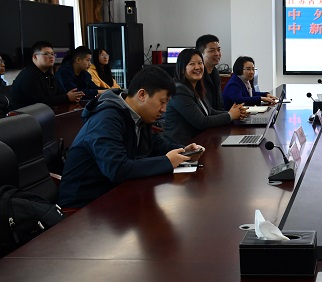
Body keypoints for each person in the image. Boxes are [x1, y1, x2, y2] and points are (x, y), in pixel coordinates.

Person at [58, 66, 200, 209]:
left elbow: (155, 144)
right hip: (83, 206)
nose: (164, 109)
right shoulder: (107, 119)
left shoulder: (138, 115)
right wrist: (167, 162)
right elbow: (117, 169)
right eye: (162, 102)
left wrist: (184, 151)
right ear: (142, 95)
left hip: (113, 194)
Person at [163, 48, 248, 145]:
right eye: (192, 64)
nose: (197, 67)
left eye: (200, 63)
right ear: (182, 69)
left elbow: (210, 112)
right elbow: (201, 122)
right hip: (181, 146)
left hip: (199, 142)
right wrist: (230, 116)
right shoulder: (179, 90)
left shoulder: (196, 87)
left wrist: (235, 113)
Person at [9, 40, 83, 109]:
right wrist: (66, 97)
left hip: (42, 112)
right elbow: (38, 102)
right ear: (35, 57)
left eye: (52, 54)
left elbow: (60, 93)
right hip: (23, 115)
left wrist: (73, 95)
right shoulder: (28, 75)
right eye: (46, 54)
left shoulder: (48, 75)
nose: (51, 56)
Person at [197, 34, 224, 111]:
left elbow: (219, 104)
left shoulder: (215, 73)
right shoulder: (198, 76)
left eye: (218, 50)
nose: (217, 54)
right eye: (212, 50)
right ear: (201, 54)